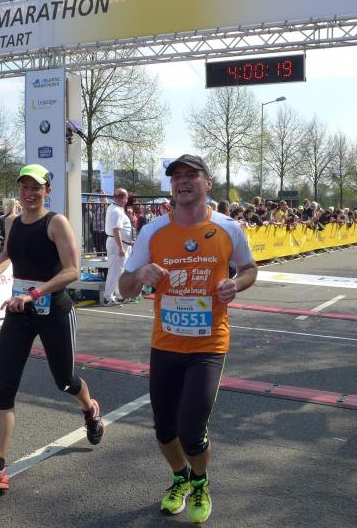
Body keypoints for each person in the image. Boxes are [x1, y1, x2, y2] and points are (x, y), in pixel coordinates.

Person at [119, 154, 257, 524]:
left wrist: (236, 284)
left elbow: (249, 269)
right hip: (165, 345)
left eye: (191, 175)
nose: (182, 181)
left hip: (208, 346)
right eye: (176, 176)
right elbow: (124, 286)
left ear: (207, 183)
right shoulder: (153, 232)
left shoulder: (228, 228)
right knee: (165, 431)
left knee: (191, 430)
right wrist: (140, 275)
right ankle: (181, 476)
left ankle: (200, 481)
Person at [0, 165, 103, 493]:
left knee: (64, 381)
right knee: (5, 385)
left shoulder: (56, 223)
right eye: (24, 187)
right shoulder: (11, 222)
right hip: (19, 312)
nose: (29, 193)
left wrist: (34, 293)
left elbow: (72, 271)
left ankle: (90, 408)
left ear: (47, 191)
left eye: (36, 188)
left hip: (54, 311)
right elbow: (7, 253)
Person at [103, 188, 134, 305]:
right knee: (114, 272)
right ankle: (108, 297)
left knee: (119, 271)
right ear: (123, 198)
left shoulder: (116, 208)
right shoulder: (116, 211)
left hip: (119, 244)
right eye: (127, 197)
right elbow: (116, 230)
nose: (127, 199)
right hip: (117, 244)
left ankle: (119, 295)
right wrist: (121, 248)